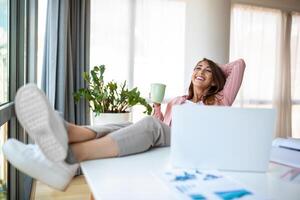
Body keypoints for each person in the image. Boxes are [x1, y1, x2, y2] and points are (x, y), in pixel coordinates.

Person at [2, 58, 245, 190]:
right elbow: (161, 128)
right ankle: (65, 134)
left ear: (216, 81)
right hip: (170, 140)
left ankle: (68, 155)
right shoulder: (179, 101)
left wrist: (216, 72)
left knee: (149, 125)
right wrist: (158, 107)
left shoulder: (220, 100)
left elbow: (239, 65)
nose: (200, 71)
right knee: (125, 126)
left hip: (190, 145)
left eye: (207, 70)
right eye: (197, 68)